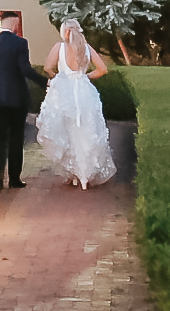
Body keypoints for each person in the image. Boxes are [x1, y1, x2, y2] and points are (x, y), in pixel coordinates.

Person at [37, 20, 116, 188]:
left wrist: (58, 77)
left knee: (68, 132)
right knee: (86, 131)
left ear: (64, 32)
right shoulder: (86, 48)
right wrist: (85, 76)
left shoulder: (59, 47)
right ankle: (86, 174)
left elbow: (47, 67)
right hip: (84, 92)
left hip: (65, 93)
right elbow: (102, 69)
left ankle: (72, 173)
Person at [0, 15, 44, 190]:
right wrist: (45, 82)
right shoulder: (20, 43)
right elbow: (25, 68)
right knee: (16, 138)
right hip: (16, 99)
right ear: (14, 22)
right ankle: (14, 179)